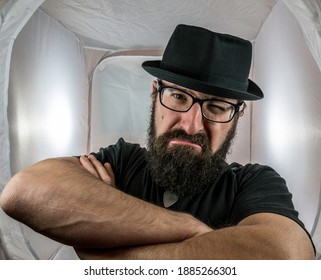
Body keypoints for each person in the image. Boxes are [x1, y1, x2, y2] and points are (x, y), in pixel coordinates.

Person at [0, 24, 315, 259]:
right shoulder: (123, 160)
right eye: (178, 96)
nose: (192, 125)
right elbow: (22, 192)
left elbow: (287, 256)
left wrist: (105, 253)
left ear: (237, 116)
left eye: (217, 107)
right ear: (155, 95)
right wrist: (188, 229)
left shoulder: (254, 182)